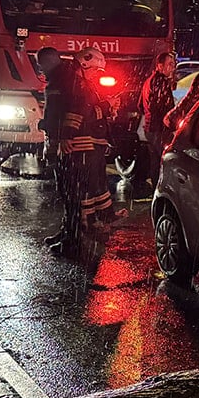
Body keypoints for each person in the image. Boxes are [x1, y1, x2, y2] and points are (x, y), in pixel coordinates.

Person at [50, 47, 118, 257]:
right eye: (95, 70)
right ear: (86, 64)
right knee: (77, 192)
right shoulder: (77, 85)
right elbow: (80, 112)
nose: (96, 75)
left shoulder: (78, 83)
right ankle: (73, 238)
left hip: (86, 145)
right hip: (81, 146)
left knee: (78, 192)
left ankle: (74, 236)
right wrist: (106, 107)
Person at [37, 47, 75, 245]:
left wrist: (55, 133)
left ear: (48, 61)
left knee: (68, 189)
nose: (40, 68)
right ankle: (69, 231)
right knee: (67, 189)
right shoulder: (65, 77)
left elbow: (59, 110)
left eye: (40, 64)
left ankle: (71, 234)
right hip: (60, 138)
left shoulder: (60, 80)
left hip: (61, 141)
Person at [139, 52, 176, 185]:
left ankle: (156, 189)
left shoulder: (148, 81)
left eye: (173, 64)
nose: (173, 68)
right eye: (170, 64)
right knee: (166, 161)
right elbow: (165, 110)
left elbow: (140, 106)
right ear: (160, 66)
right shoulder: (162, 83)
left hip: (150, 130)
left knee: (155, 163)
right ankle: (163, 190)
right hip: (159, 131)